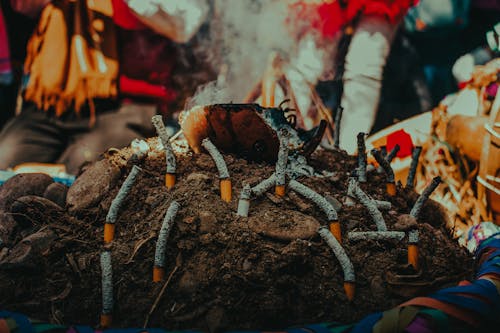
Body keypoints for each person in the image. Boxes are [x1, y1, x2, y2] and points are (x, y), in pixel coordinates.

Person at [0, 0, 208, 175]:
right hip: (54, 102)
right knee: (5, 160)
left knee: (86, 170)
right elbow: (22, 7)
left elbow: (185, 24)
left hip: (127, 107)